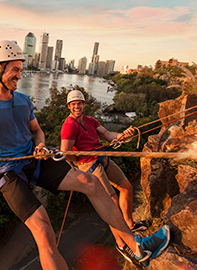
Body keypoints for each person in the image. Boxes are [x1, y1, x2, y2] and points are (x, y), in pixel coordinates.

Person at [0, 40, 170, 269]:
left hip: (34, 159)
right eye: (15, 70)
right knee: (44, 232)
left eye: (20, 70)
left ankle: (137, 248)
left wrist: (40, 146)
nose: (19, 76)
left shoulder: (23, 100)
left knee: (91, 182)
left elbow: (36, 130)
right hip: (8, 171)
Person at [60, 89, 149, 264]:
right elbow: (66, 152)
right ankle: (122, 244)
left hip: (102, 156)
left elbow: (108, 135)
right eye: (74, 104)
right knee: (111, 202)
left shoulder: (90, 121)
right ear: (69, 107)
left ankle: (130, 224)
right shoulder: (68, 125)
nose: (77, 106)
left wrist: (123, 135)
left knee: (126, 187)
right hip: (88, 164)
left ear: (84, 104)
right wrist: (79, 157)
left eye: (79, 103)